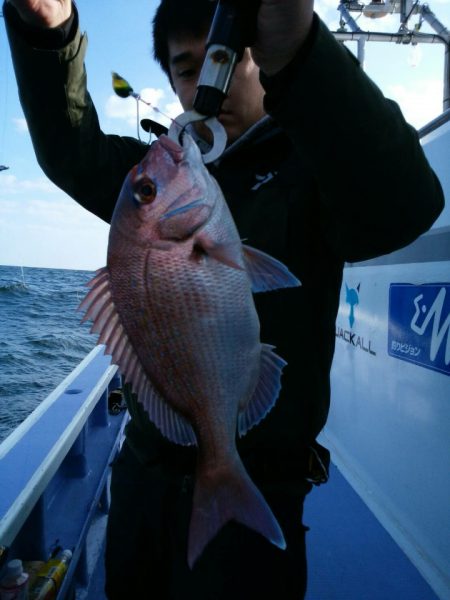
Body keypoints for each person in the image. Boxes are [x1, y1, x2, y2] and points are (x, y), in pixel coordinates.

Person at [4, 0, 444, 598]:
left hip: (262, 492)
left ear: (267, 59)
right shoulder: (149, 181)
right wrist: (47, 31)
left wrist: (304, 53)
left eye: (238, 58)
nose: (216, 78)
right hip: (145, 484)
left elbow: (406, 204)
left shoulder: (318, 168)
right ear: (173, 80)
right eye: (188, 68)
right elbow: (67, 149)